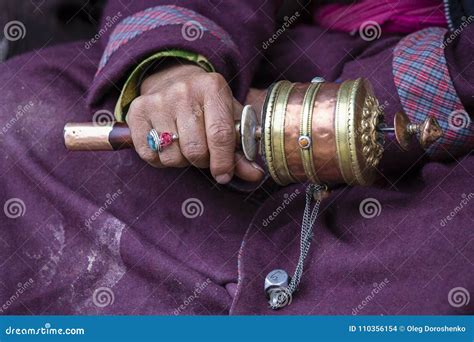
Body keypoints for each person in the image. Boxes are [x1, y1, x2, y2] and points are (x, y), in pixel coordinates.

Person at [0, 0, 472, 315]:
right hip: (269, 61)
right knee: (22, 116)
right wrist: (173, 65)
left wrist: (322, 112)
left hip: (445, 113)